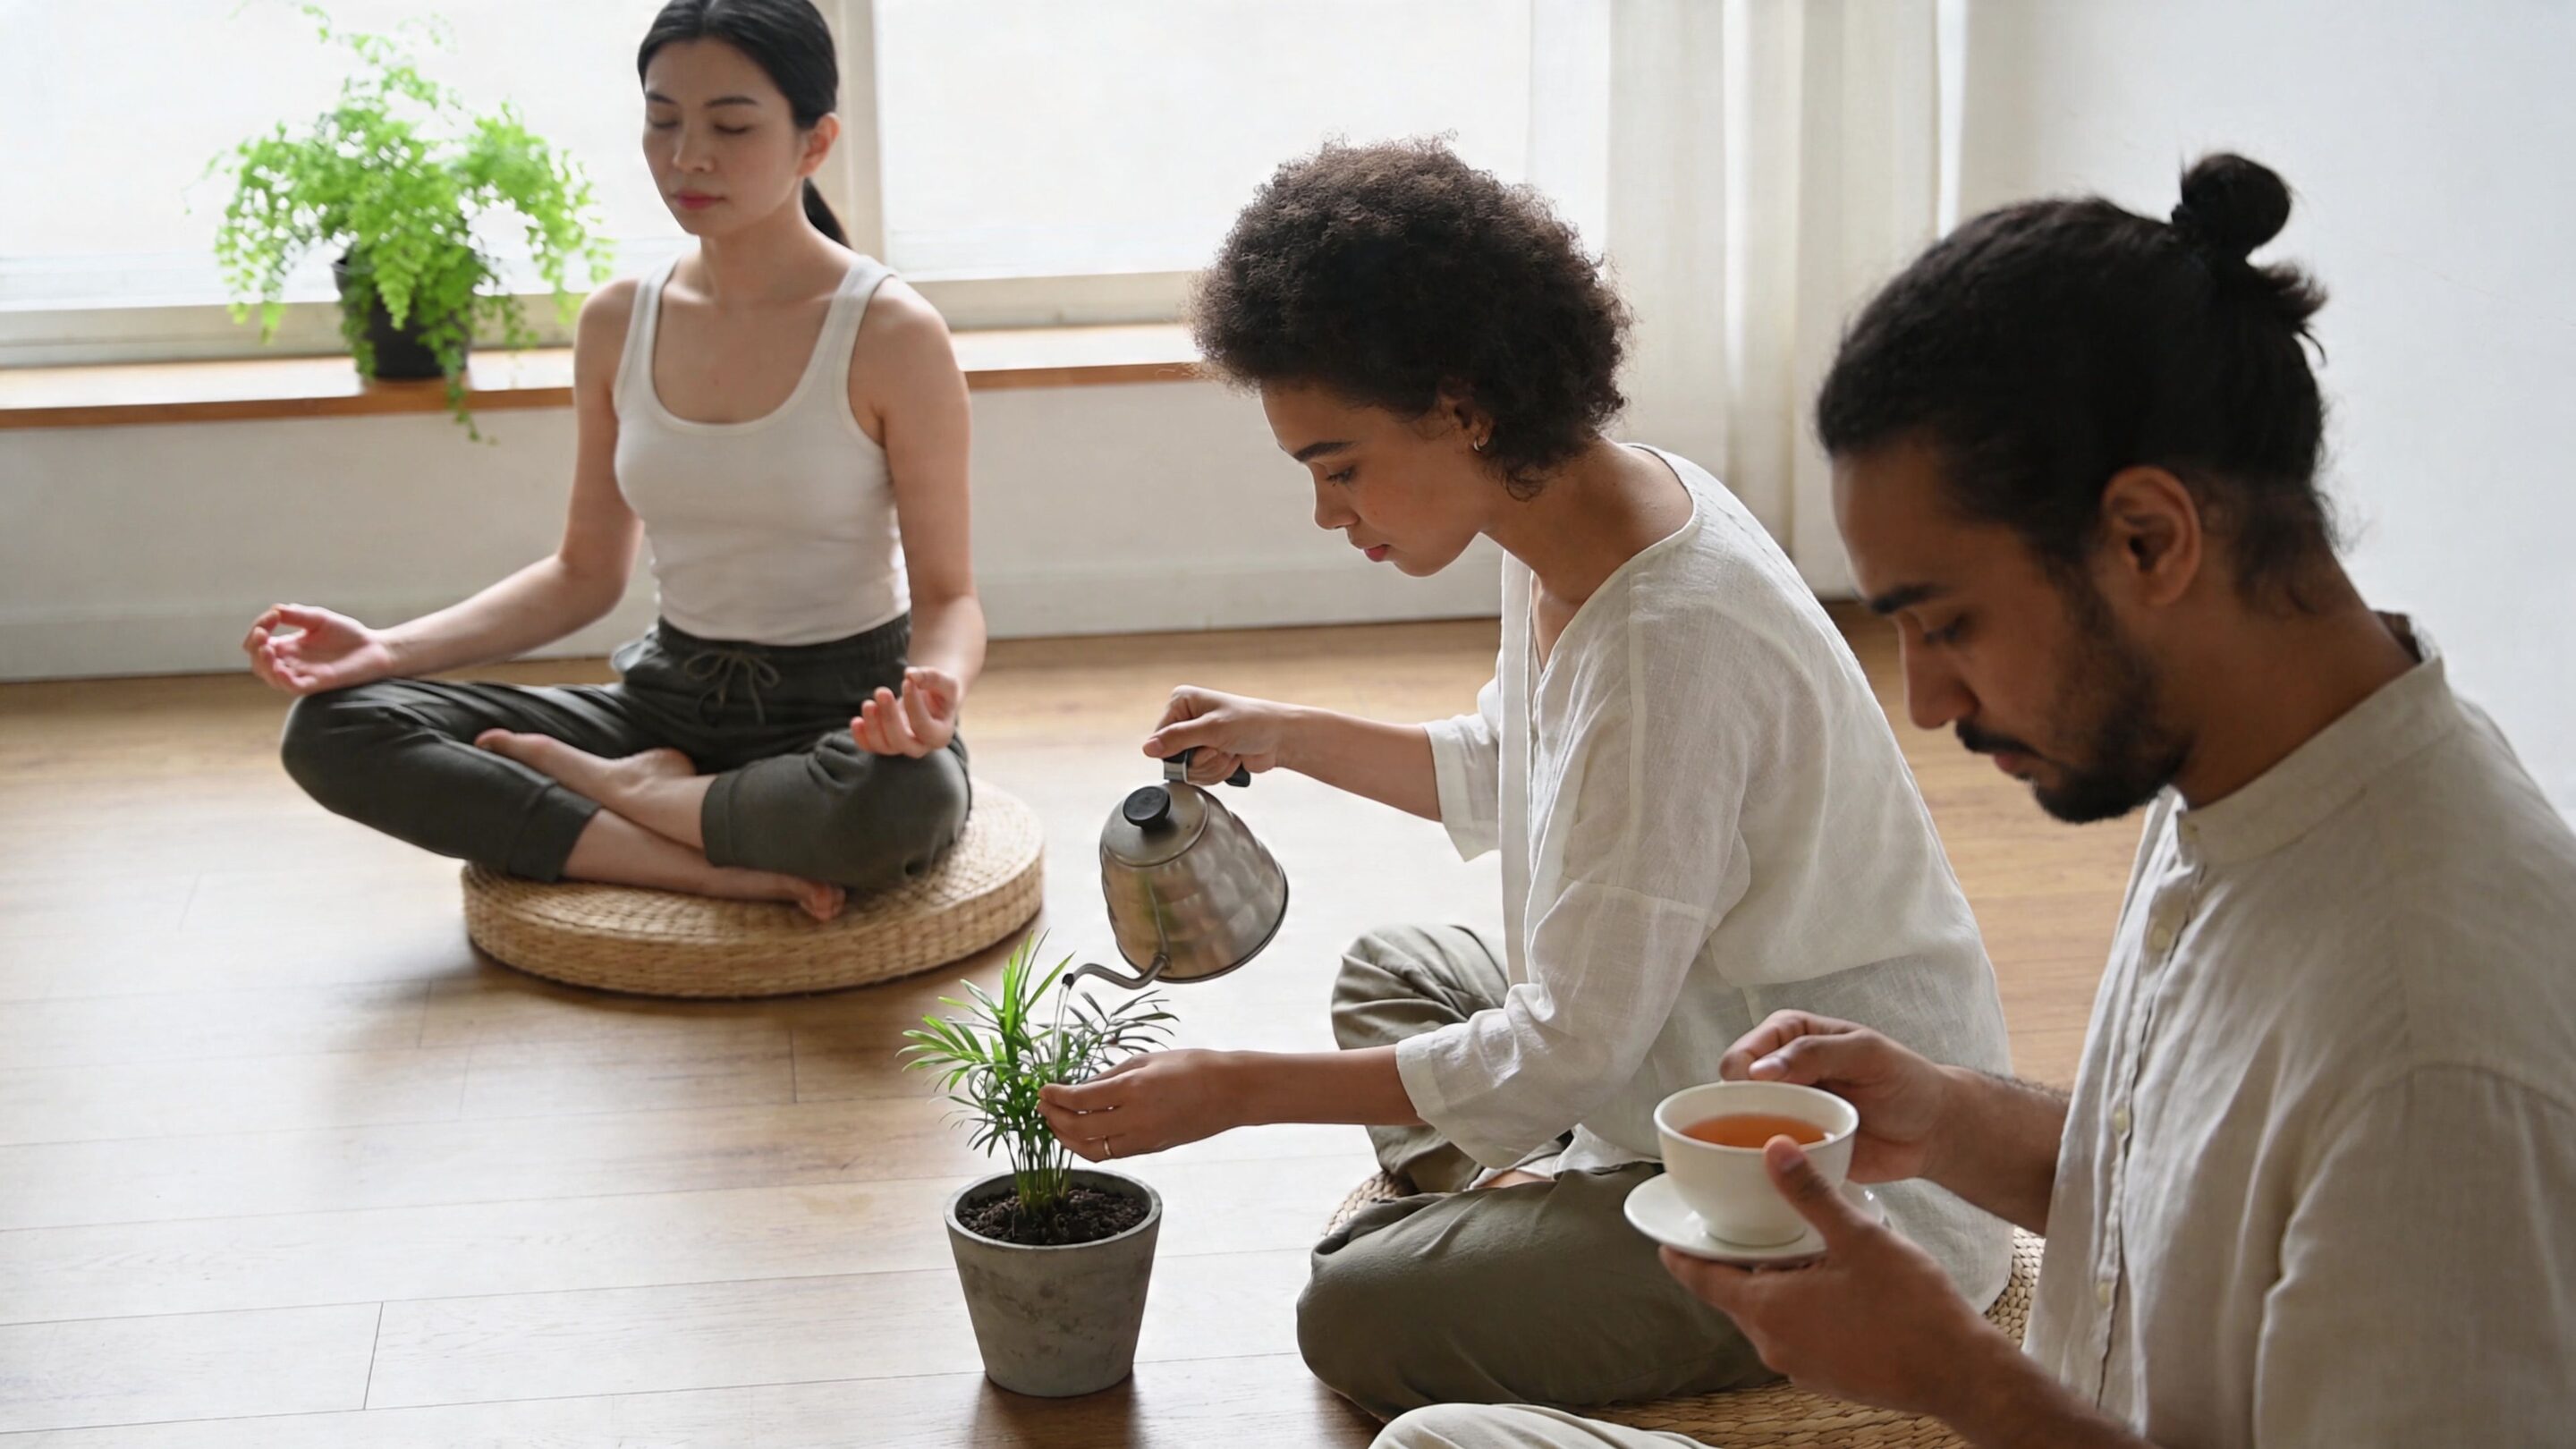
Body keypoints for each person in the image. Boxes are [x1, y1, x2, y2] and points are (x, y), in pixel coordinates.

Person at [1376, 155, 2576, 1449]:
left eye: (1947, 623)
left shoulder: (2431, 1052)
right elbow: (2182, 1184)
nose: (1931, 702)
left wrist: (1955, 1378)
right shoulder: (2247, 779)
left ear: (2150, 541)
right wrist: (1951, 1117)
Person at [1033, 139, 2013, 1418]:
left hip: (1834, 1189)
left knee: (1357, 1308)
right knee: (1397, 969)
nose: (1331, 514)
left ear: (1461, 407)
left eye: (1340, 464)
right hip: (1672, 1062)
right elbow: (1515, 770)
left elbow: (1566, 1042)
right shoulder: (1568, 518)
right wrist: (1287, 732)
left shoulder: (1673, 640)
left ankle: (1526, 1217)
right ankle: (1537, 1205)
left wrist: (1236, 1089)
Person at [249, 0, 982, 921]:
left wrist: (935, 692)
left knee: (903, 806)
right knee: (337, 728)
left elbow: (951, 596)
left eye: (731, 124)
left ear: (815, 140)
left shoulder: (890, 331)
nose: (688, 157)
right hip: (667, 701)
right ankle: (696, 858)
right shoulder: (616, 321)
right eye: (663, 119)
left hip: (844, 713)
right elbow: (584, 575)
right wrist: (387, 649)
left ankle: (631, 796)